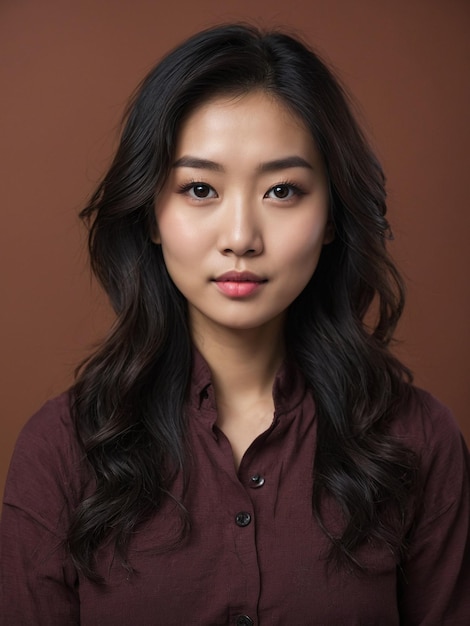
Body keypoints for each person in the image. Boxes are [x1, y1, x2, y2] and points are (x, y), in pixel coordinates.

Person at [1, 23, 469, 626]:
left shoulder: (417, 441)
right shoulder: (61, 449)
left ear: (331, 216)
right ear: (150, 214)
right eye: (200, 188)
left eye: (282, 190)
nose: (241, 238)